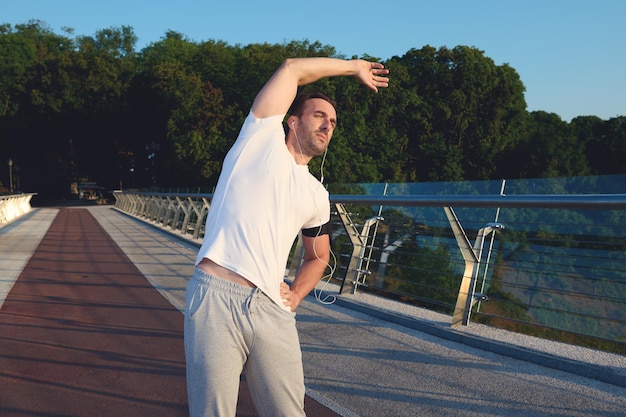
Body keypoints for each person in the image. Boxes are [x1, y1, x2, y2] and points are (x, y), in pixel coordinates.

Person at [184, 57, 390, 417]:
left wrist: (295, 294)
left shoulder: (316, 194)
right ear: (292, 120)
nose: (328, 124)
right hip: (217, 298)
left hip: (272, 311)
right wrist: (354, 66)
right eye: (319, 116)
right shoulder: (258, 141)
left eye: (333, 122)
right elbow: (291, 68)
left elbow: (319, 256)